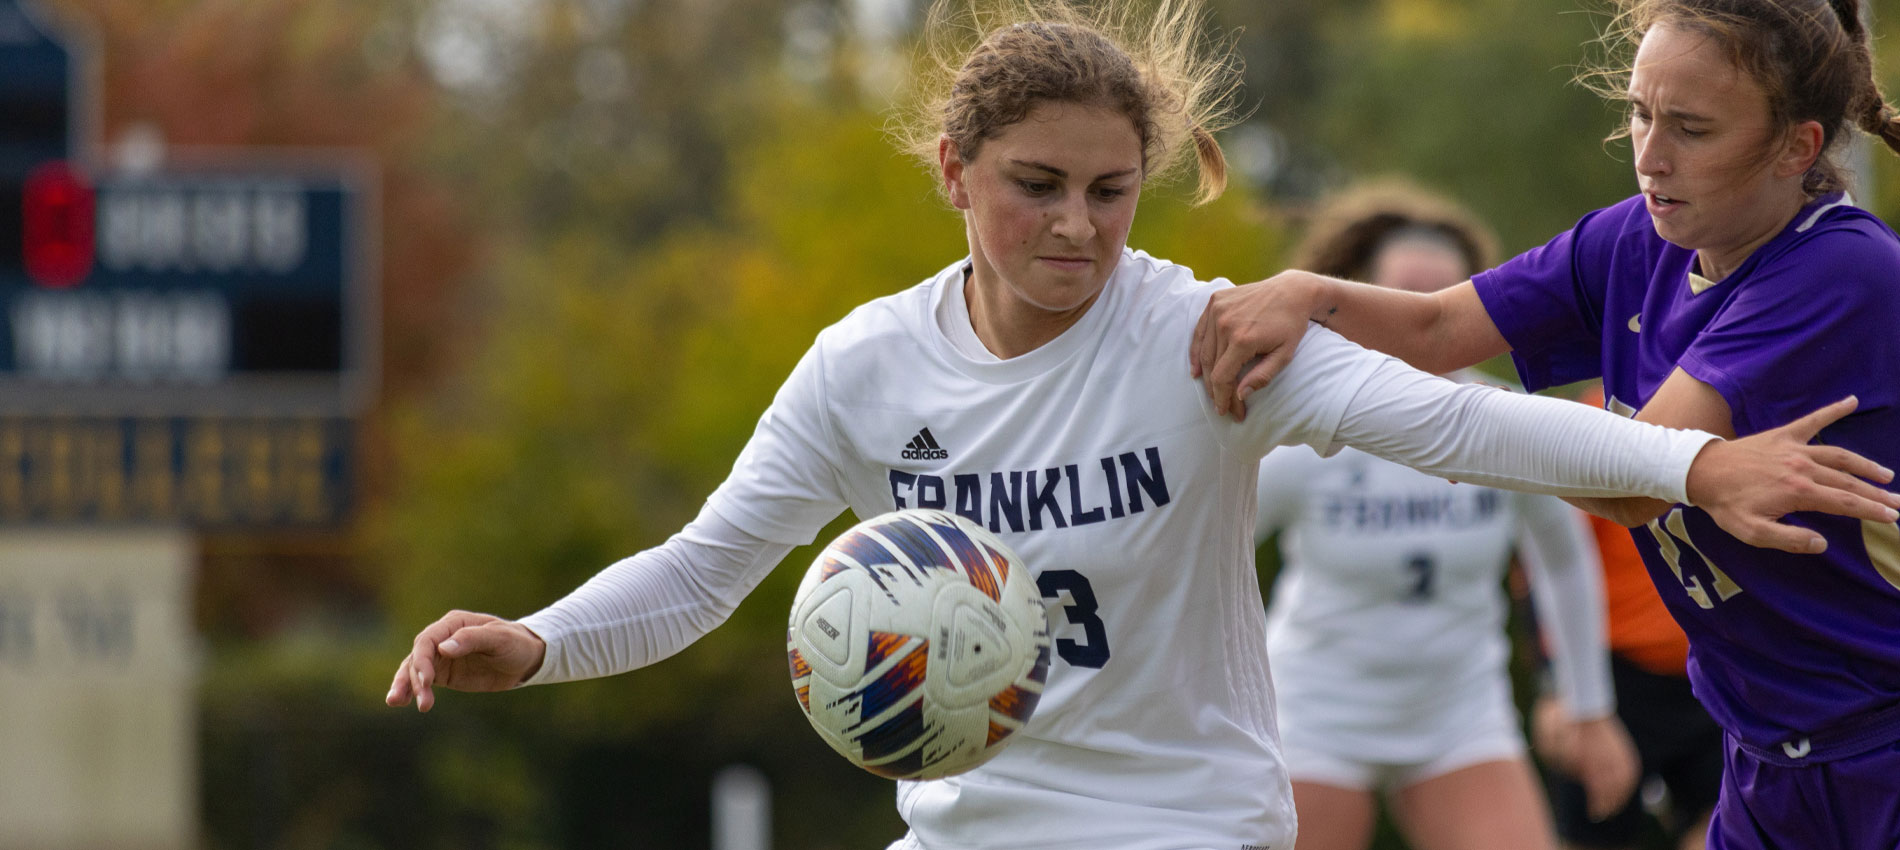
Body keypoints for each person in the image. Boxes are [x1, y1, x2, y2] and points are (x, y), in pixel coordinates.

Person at [390, 1, 1899, 847]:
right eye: (1036, 186)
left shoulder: (1203, 337)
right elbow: (709, 563)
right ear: (954, 172)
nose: (1078, 225)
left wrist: (1691, 465)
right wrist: (537, 639)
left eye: (1111, 190)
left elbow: (1460, 426)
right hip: (968, 831)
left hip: (1186, 825)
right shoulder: (865, 367)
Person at [1191, 1, 1900, 846]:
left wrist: (1469, 437)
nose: (1650, 155)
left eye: (1691, 128)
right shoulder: (1638, 240)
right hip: (1770, 752)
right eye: (1639, 113)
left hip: (1879, 745)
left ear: (1797, 148)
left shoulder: (1839, 269)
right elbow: (1436, 331)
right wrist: (1307, 295)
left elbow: (1632, 483)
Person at [1253, 182, 1638, 850]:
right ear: (1362, 301)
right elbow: (1200, 550)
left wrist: (1589, 709)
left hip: (1459, 714)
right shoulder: (1307, 434)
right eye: (1405, 295)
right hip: (1313, 712)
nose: (1420, 318)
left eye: (1440, 299)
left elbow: (1563, 561)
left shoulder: (1505, 422)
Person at [1531, 387, 1720, 850]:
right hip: (1619, 679)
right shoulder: (1596, 417)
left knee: (1726, 827)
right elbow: (1554, 567)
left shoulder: (1733, 400)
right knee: (1597, 830)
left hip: (1713, 671)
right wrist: (1557, 685)